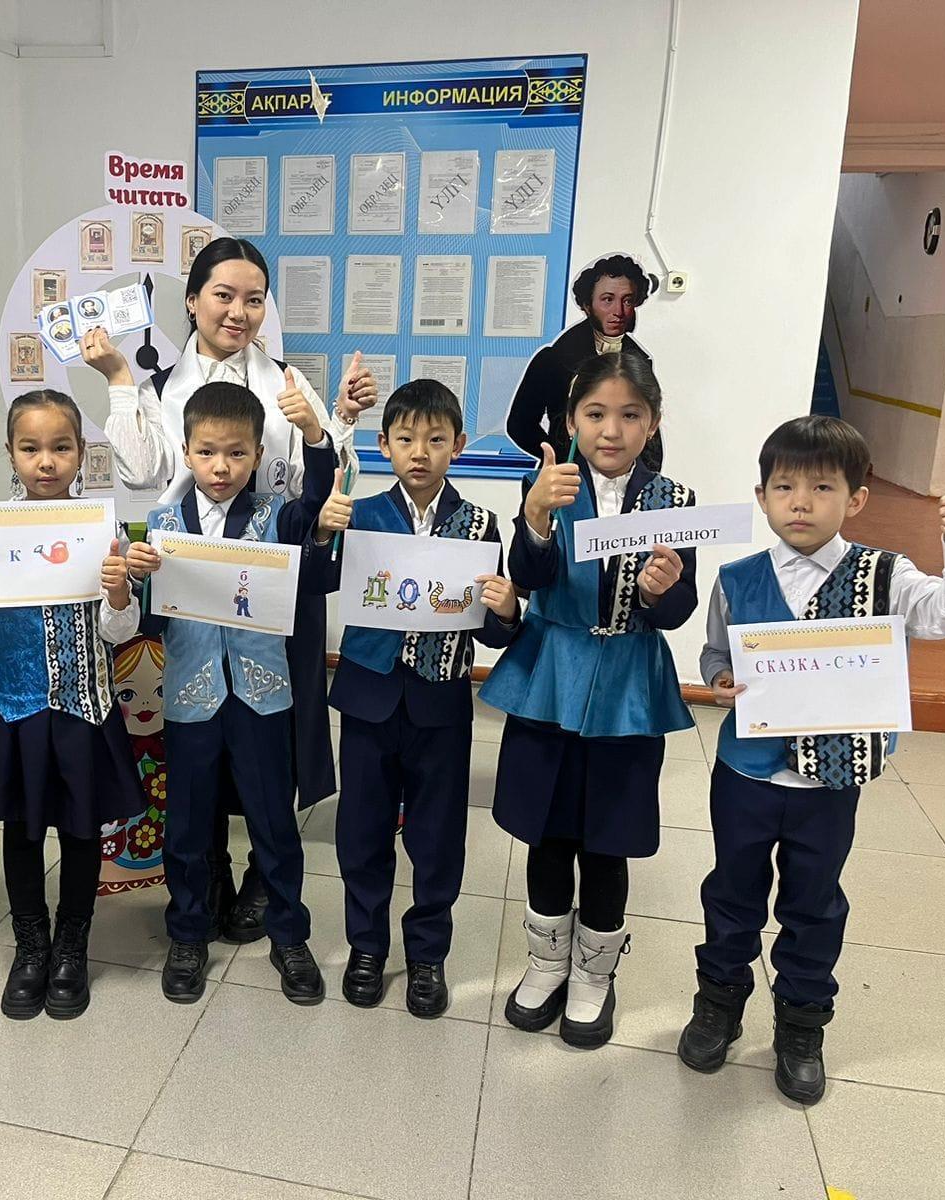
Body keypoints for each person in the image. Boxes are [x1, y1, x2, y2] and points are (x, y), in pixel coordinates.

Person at [679, 415, 945, 1105]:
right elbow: (717, 653)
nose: (801, 502)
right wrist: (721, 679)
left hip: (830, 782)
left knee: (814, 901)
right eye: (784, 486)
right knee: (731, 890)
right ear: (761, 497)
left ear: (855, 499)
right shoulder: (737, 578)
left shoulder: (885, 575)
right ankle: (719, 1001)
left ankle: (802, 1022)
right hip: (746, 774)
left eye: (822, 487)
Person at [83, 235, 377, 941]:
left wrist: (335, 422)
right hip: (187, 586)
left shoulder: (287, 380)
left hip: (275, 579)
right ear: (193, 301)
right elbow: (140, 472)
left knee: (273, 736)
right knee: (197, 737)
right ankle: (205, 873)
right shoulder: (162, 387)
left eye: (253, 299)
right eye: (223, 295)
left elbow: (326, 484)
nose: (238, 312)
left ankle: (261, 883)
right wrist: (118, 379)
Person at [481, 352, 698, 1048]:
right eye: (596, 414)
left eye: (630, 415)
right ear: (571, 421)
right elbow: (529, 573)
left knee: (608, 839)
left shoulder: (675, 500)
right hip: (551, 672)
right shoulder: (547, 484)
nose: (612, 430)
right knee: (547, 831)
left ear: (652, 423)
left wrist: (663, 593)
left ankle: (594, 974)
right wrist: (535, 516)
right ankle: (546, 962)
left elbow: (680, 608)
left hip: (629, 683)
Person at [125, 381, 337, 1005]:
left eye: (237, 453)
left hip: (261, 697)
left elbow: (319, 501)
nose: (221, 467)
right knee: (187, 824)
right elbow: (151, 621)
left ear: (257, 455)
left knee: (274, 822)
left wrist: (317, 437)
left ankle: (288, 935)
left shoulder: (278, 516)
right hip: (190, 698)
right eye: (207, 452)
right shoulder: (163, 525)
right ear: (186, 451)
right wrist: (137, 581)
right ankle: (188, 933)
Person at [317, 379, 521, 1018]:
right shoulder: (360, 515)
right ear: (385, 444)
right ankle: (367, 946)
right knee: (362, 829)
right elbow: (320, 580)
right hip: (369, 697)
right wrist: (321, 533)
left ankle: (428, 952)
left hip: (441, 702)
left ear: (458, 446)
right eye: (406, 439)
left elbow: (491, 629)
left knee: (437, 834)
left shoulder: (480, 524)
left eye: (436, 440)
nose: (420, 452)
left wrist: (507, 610)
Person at [0, 390, 146, 1021]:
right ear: (10, 453)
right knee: (23, 829)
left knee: (83, 829)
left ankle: (72, 945)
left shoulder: (102, 529)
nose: (47, 461)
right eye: (30, 448)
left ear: (81, 452)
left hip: (84, 700)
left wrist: (119, 596)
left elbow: (119, 630)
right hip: (16, 704)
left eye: (61, 447)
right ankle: (30, 944)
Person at [507, 254, 659, 471]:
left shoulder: (641, 362)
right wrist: (559, 457)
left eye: (627, 300)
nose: (618, 311)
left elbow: (650, 431)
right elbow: (520, 424)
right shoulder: (553, 359)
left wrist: (644, 475)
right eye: (607, 299)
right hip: (565, 476)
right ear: (587, 305)